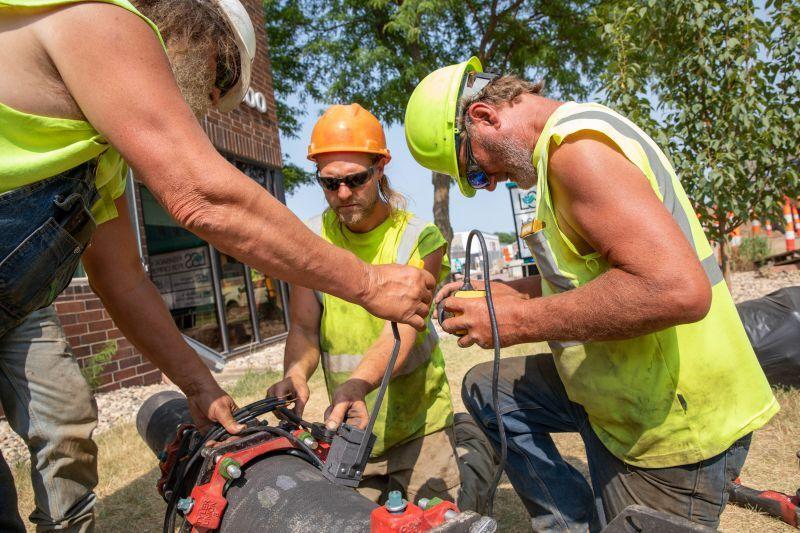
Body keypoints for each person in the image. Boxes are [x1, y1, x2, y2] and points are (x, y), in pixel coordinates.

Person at [0, 2, 434, 531]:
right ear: (199, 35)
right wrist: (365, 282)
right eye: (220, 79)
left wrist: (199, 386)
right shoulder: (99, 16)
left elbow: (121, 278)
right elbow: (203, 196)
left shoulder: (99, 159)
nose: (208, 102)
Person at [404, 57, 779, 531]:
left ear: (483, 117)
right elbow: (590, 275)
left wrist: (513, 322)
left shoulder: (577, 152)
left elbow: (674, 290)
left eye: (476, 170)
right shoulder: (562, 150)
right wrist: (507, 291)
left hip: (674, 421)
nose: (489, 182)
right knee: (489, 389)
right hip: (620, 392)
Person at [268, 104, 493, 510]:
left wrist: (357, 384)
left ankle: (474, 448)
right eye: (329, 183)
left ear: (380, 168)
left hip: (419, 426)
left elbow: (405, 328)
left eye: (355, 179)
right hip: (353, 429)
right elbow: (303, 328)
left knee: (441, 517)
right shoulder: (311, 240)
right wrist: (295, 373)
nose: (342, 194)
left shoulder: (419, 238)